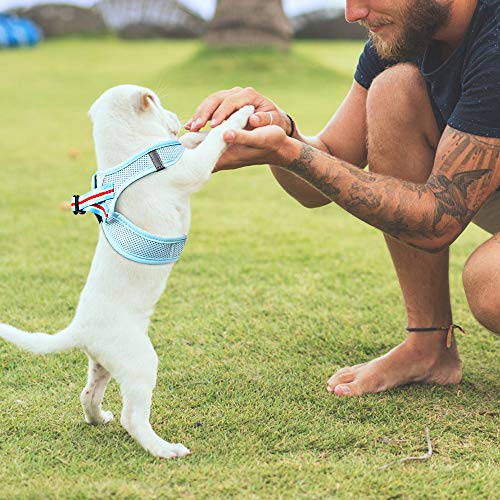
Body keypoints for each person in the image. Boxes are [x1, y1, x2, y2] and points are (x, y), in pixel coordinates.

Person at [185, 0, 500, 397]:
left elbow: (438, 218)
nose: (353, 13)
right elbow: (325, 165)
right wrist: (281, 130)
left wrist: (290, 153)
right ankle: (427, 345)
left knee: (492, 282)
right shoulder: (407, 33)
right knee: (393, 89)